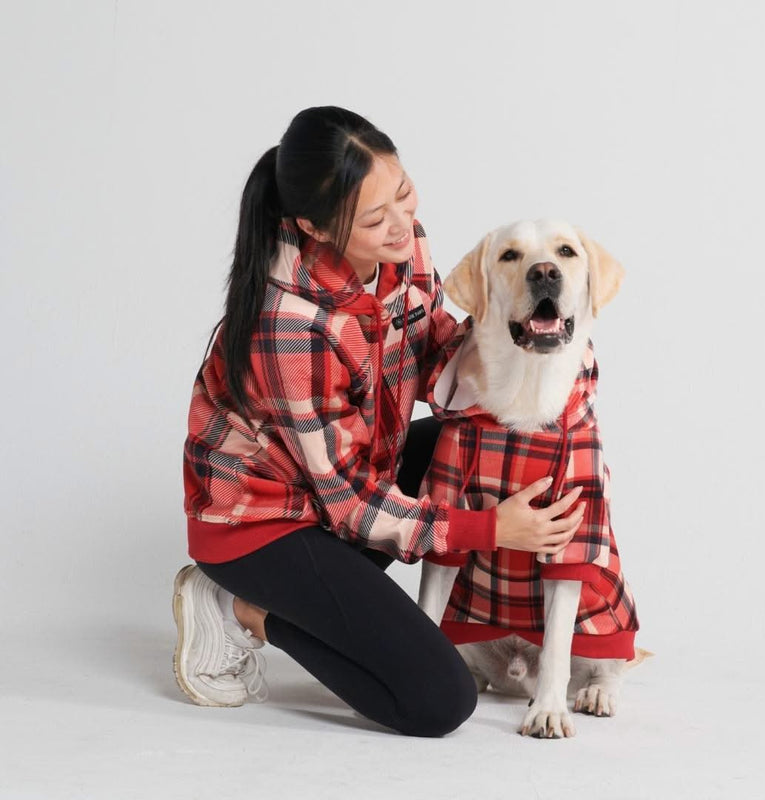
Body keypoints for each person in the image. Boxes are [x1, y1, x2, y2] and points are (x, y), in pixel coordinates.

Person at [173, 106, 586, 737]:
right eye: (374, 218)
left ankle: (321, 600)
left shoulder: (401, 245)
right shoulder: (289, 326)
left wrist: (545, 364)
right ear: (314, 225)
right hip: (261, 525)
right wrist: (488, 527)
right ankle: (242, 610)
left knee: (476, 448)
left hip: (347, 476)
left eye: (402, 193)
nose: (401, 225)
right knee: (437, 700)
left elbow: (432, 349)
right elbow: (350, 508)